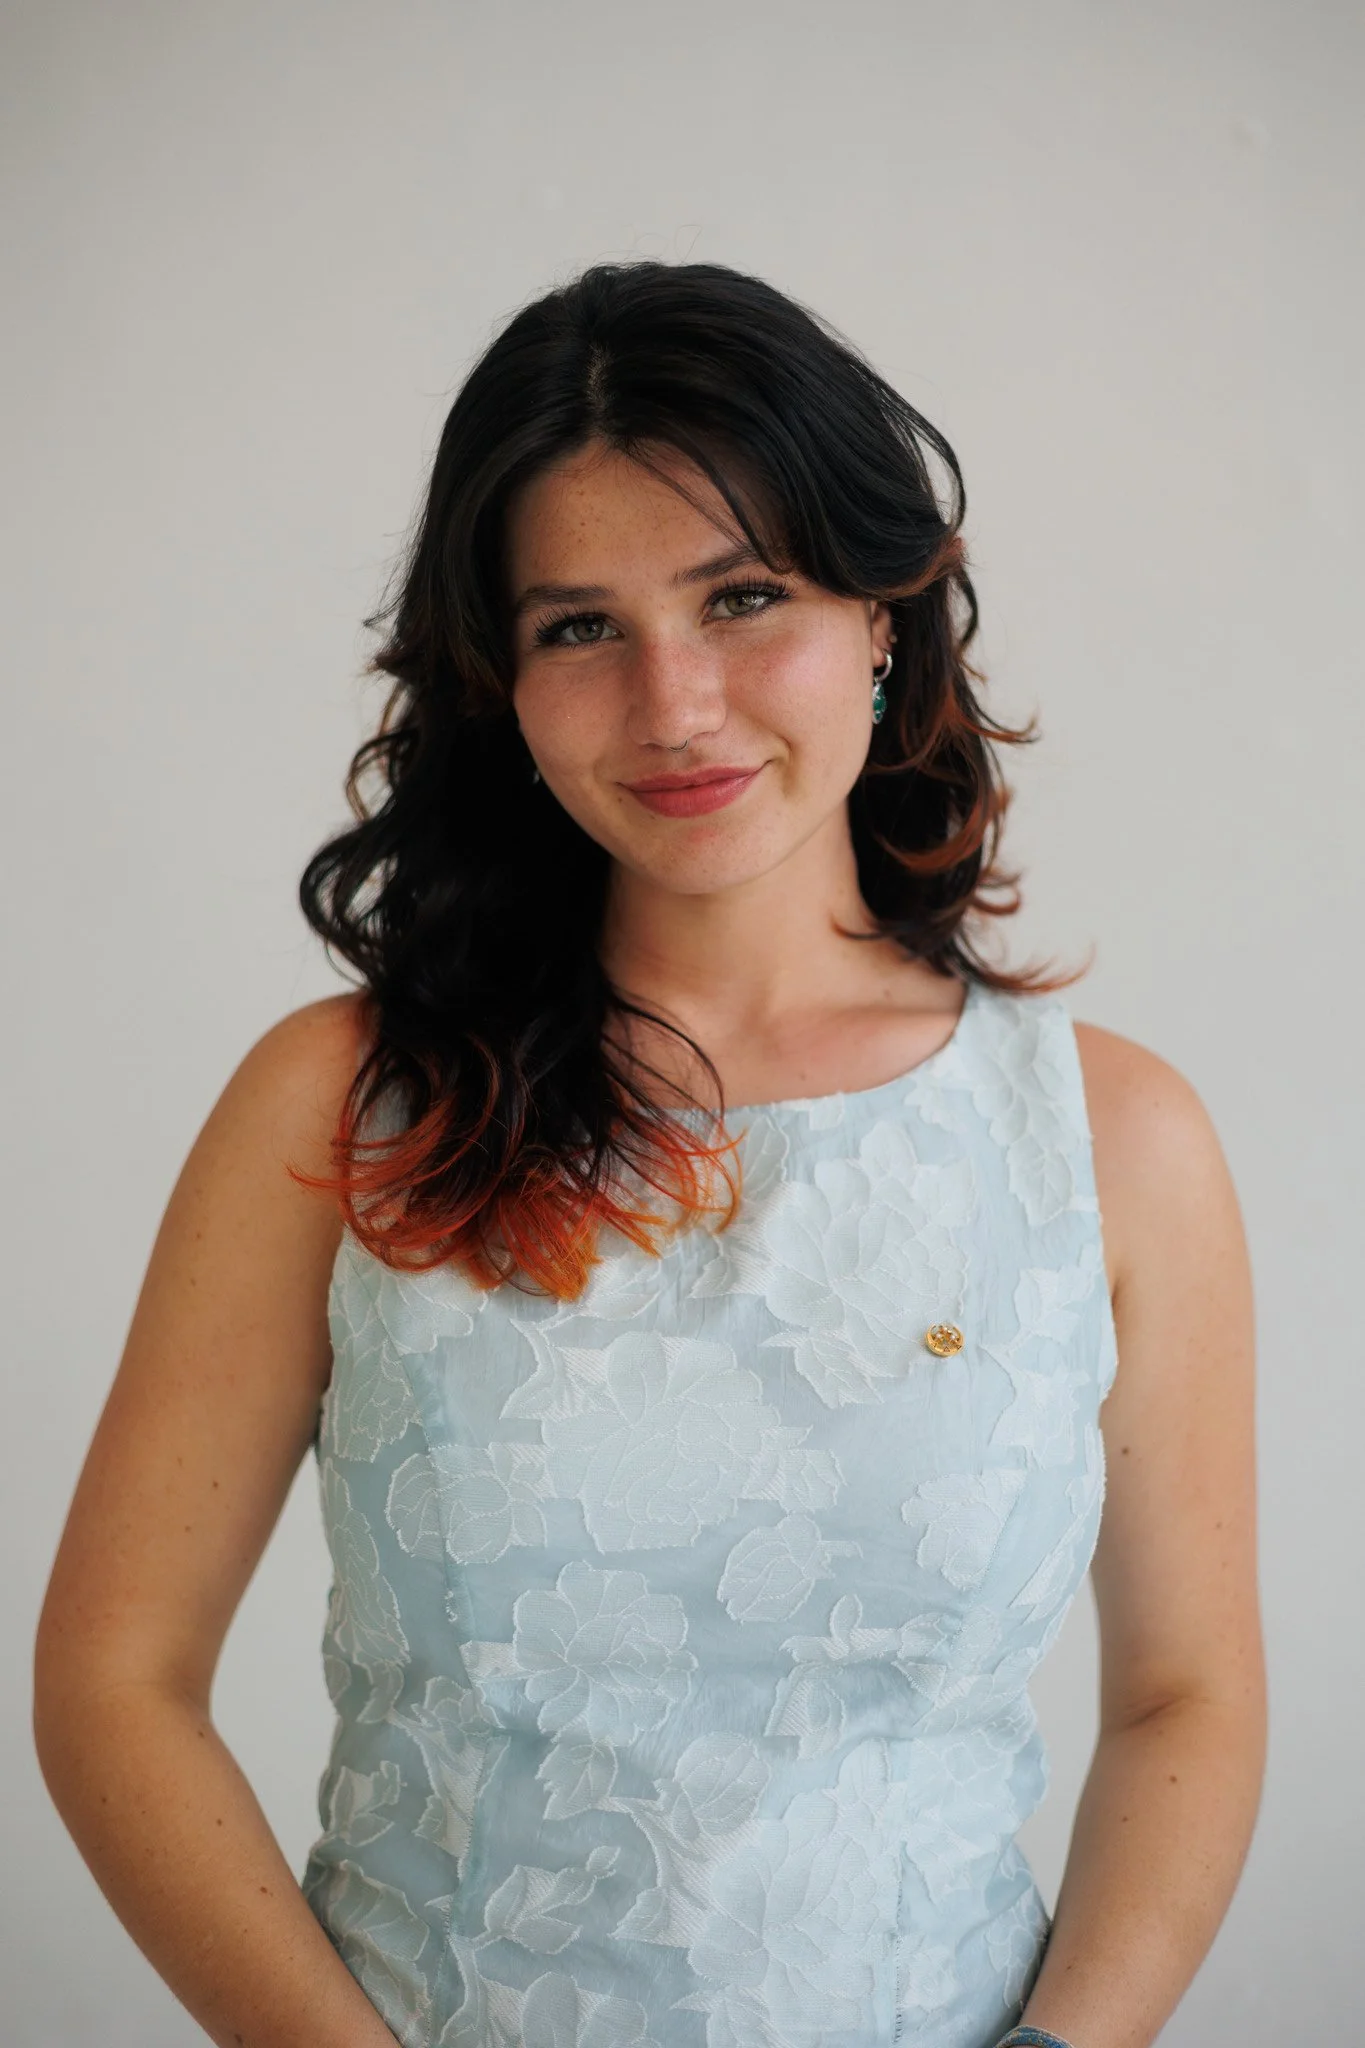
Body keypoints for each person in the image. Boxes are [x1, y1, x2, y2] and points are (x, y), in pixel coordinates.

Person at [34, 260, 1265, 2048]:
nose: (675, 704)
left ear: (883, 619)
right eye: (579, 628)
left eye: (743, 596)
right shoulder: (343, 1108)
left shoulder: (1110, 1142)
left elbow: (1186, 1696)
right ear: (502, 685)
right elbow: (115, 1677)